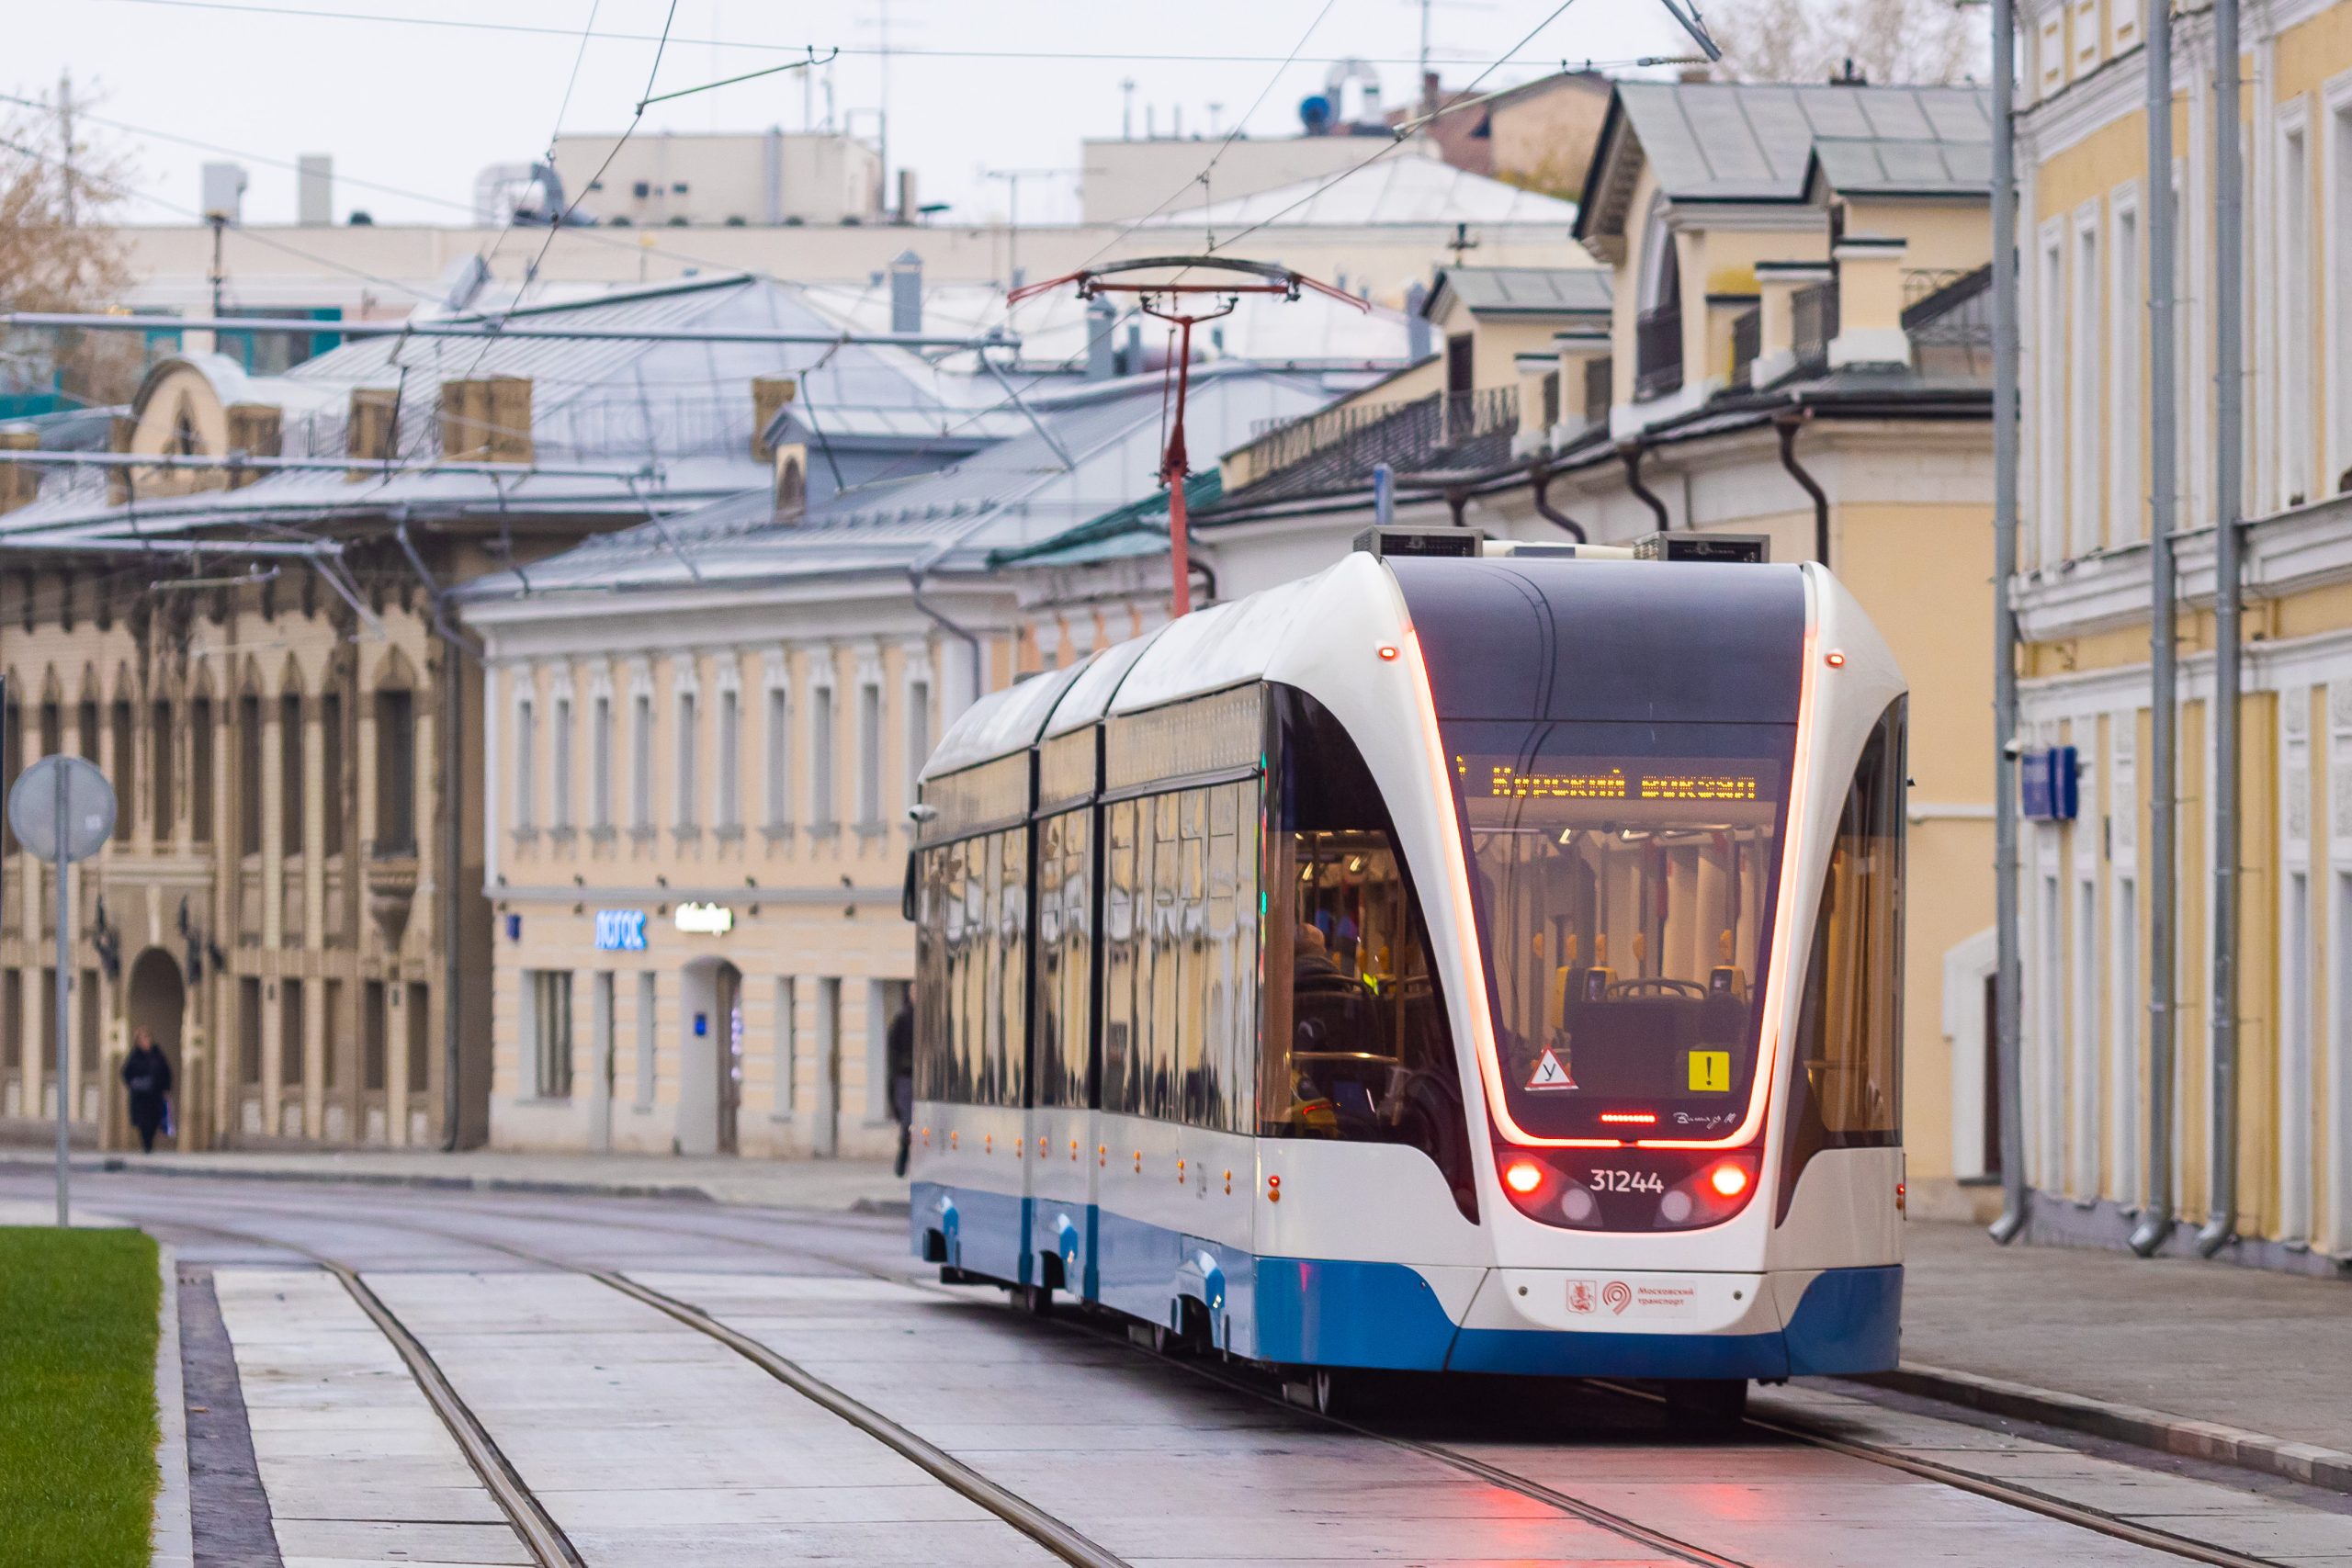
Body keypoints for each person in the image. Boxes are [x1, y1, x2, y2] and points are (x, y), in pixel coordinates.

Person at [120, 1029, 173, 1155]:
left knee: (154, 1120)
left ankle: (150, 1143)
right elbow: (126, 1073)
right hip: (140, 1096)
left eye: (147, 1038)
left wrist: (166, 1088)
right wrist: (134, 1083)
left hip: (155, 1095)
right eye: (142, 1039)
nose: (146, 1041)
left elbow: (166, 1072)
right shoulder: (134, 1056)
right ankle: (147, 1145)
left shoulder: (157, 1055)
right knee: (143, 1122)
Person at [887, 998, 915, 1178]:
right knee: (907, 1121)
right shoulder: (902, 1019)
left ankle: (905, 1156)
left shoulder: (927, 1018)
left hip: (915, 1077)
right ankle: (903, 1155)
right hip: (905, 1076)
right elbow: (893, 1051)